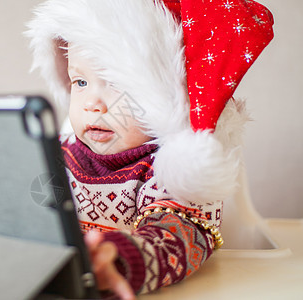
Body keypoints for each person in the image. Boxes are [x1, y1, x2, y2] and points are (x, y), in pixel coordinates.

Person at [26, 0, 274, 298]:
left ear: (163, 96)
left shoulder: (170, 171)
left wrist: (121, 260)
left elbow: (178, 235)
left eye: (118, 84)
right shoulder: (59, 155)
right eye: (80, 81)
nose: (93, 104)